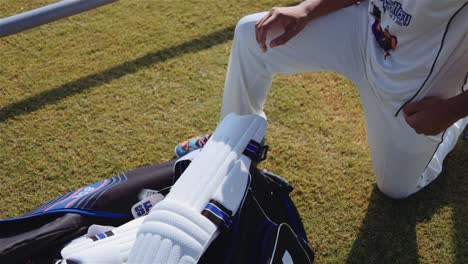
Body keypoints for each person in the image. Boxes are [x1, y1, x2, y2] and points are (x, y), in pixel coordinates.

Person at [175, 0, 468, 199]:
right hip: (364, 30)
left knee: (395, 189)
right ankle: (233, 142)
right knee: (252, 35)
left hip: (414, 83)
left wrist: (452, 111)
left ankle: (456, 125)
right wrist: (307, 8)